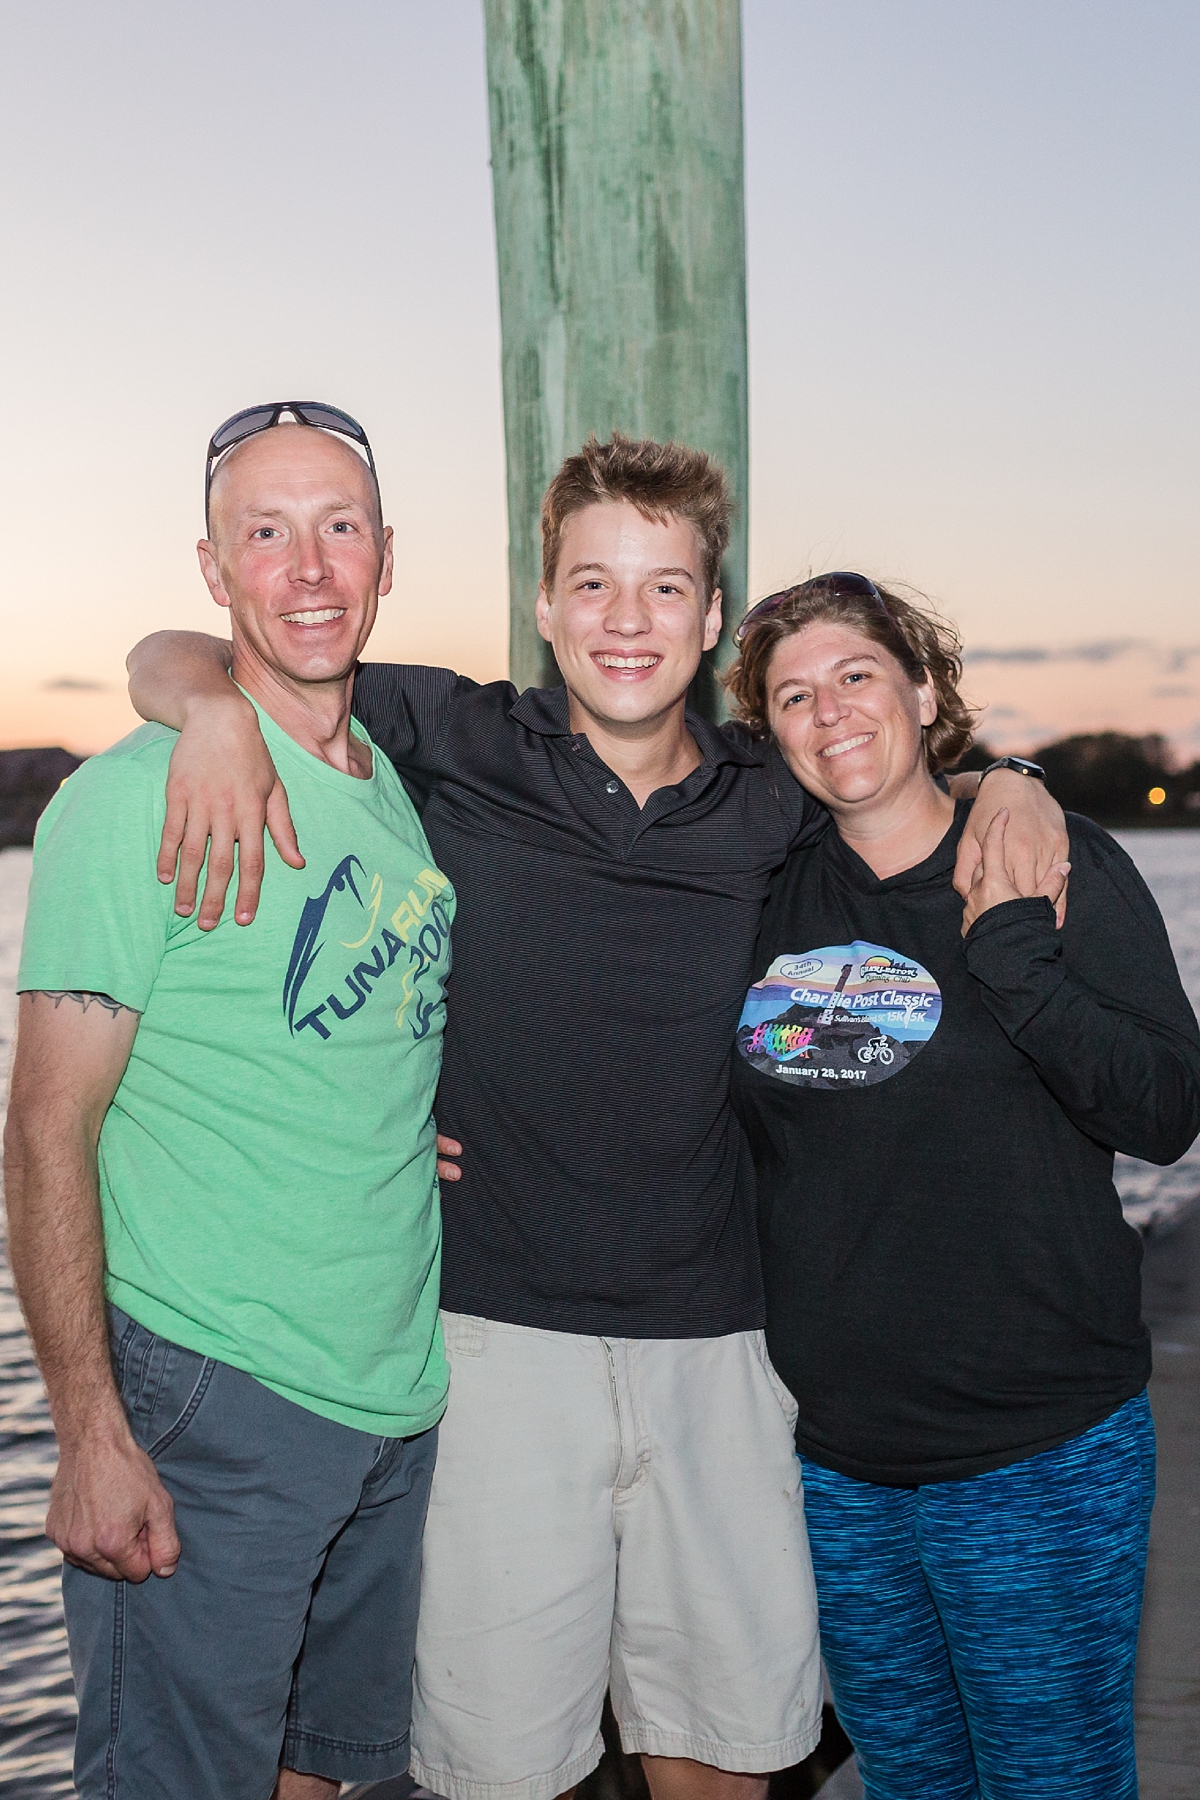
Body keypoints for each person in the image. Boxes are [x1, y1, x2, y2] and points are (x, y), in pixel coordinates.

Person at [126, 433, 1066, 1800]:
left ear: (710, 611)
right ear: (548, 603)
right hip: (502, 1344)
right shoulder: (459, 737)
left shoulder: (766, 796)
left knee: (724, 1757)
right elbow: (189, 651)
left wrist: (1013, 782)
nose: (629, 621)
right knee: (504, 1768)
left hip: (728, 1348)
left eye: (666, 588)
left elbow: (897, 784)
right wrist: (205, 709)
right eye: (595, 585)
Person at [4, 408, 455, 1800]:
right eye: (266, 533)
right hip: (214, 1397)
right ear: (213, 569)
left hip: (395, 1397)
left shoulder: (395, 788)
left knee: (322, 1778)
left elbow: (344, 1025)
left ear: (387, 557)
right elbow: (42, 1130)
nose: (308, 568)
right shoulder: (132, 799)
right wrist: (87, 1433)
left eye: (339, 528)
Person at [722, 572, 1200, 1800]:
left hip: (1036, 1447)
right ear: (767, 732)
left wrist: (1016, 957)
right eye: (792, 696)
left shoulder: (1059, 863)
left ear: (924, 689)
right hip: (839, 1461)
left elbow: (1164, 1111)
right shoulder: (764, 894)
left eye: (856, 676)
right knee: (910, 1780)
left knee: (1052, 1783)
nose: (829, 714)